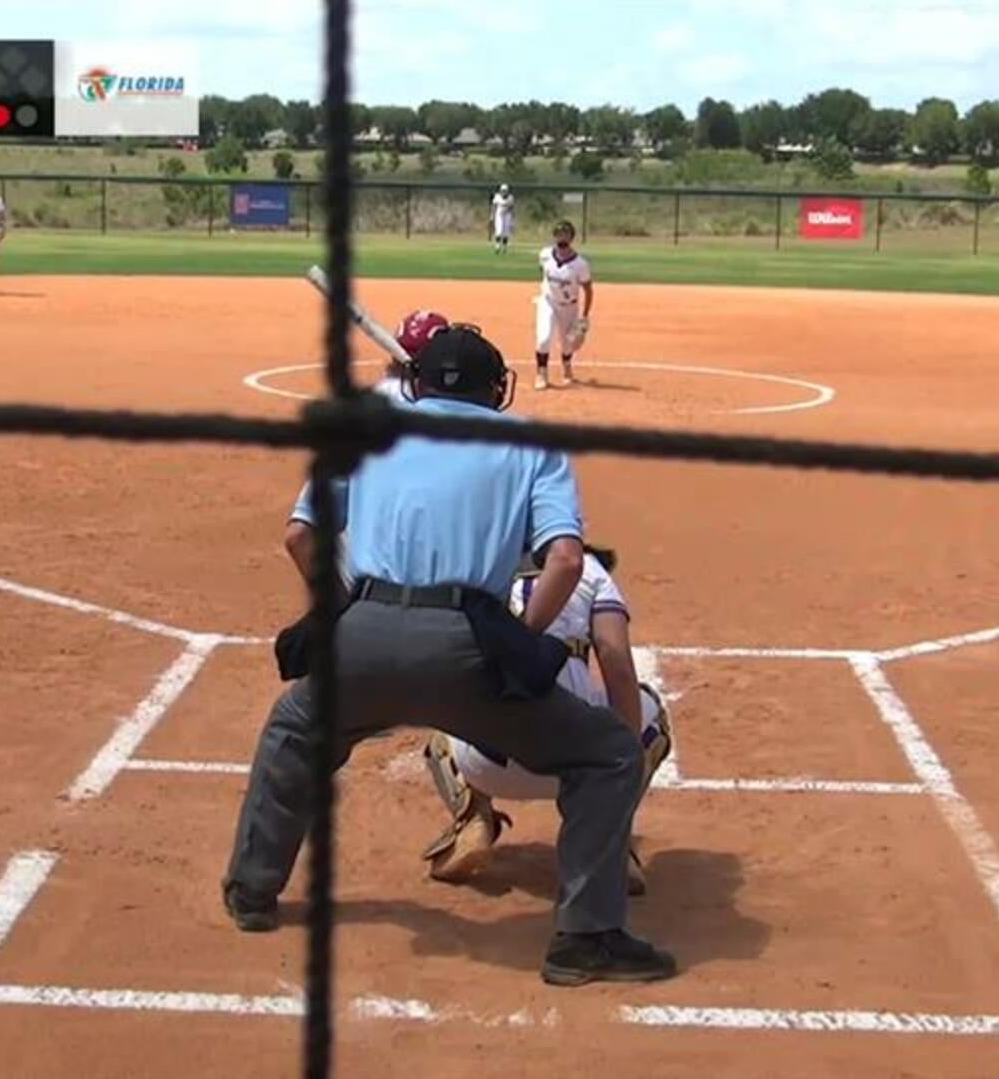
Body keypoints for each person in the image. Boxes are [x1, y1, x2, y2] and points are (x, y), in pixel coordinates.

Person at [227, 325, 677, 987]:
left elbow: (300, 538)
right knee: (608, 754)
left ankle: (252, 891)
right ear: (497, 389)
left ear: (417, 382)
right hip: (467, 641)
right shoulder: (527, 443)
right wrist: (521, 636)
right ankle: (585, 936)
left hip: (363, 632)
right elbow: (566, 559)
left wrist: (348, 606)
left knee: (295, 732)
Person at [420, 543, 672, 896]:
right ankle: (610, 839)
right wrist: (620, 768)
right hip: (583, 769)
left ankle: (472, 817)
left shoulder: (476, 564)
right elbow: (617, 667)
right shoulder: (588, 569)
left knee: (446, 706)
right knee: (651, 712)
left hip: (488, 766)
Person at [533, 220, 592, 391]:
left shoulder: (580, 264)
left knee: (568, 344)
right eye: (559, 235)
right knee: (543, 338)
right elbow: (543, 274)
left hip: (569, 307)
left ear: (571, 239)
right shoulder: (545, 255)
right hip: (548, 302)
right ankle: (541, 374)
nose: (562, 240)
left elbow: (588, 290)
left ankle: (567, 366)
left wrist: (584, 316)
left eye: (565, 236)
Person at [491, 183, 515, 254]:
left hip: (507, 215)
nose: (504, 192)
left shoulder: (510, 197)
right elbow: (494, 206)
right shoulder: (497, 197)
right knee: (499, 231)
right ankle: (497, 247)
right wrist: (492, 215)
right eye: (503, 190)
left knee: (506, 233)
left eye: (505, 190)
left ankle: (504, 248)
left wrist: (512, 215)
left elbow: (512, 207)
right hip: (499, 215)